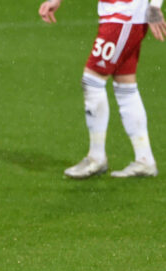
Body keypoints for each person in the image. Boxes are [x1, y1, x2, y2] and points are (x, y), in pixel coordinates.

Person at [39, 0, 165, 178]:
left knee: (92, 81)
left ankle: (96, 158)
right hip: (119, 15)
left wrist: (155, 6)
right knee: (124, 84)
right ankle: (145, 160)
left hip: (124, 16)